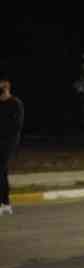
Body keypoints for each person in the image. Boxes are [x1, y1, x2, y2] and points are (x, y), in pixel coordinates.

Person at [0, 72, 25, 216]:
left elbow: (16, 125)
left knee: (1, 169)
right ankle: (5, 203)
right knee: (2, 172)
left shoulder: (15, 103)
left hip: (9, 142)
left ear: (7, 85)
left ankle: (4, 203)